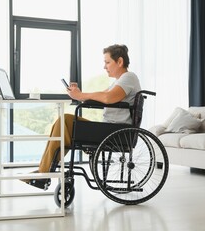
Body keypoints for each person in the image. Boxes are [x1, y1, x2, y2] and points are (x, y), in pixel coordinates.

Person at [23, 44, 141, 189]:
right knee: (63, 123)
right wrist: (78, 94)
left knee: (65, 121)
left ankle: (44, 172)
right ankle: (45, 171)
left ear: (120, 62)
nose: (104, 66)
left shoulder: (129, 77)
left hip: (115, 132)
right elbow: (100, 97)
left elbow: (108, 98)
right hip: (109, 129)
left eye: (107, 62)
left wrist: (80, 96)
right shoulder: (118, 81)